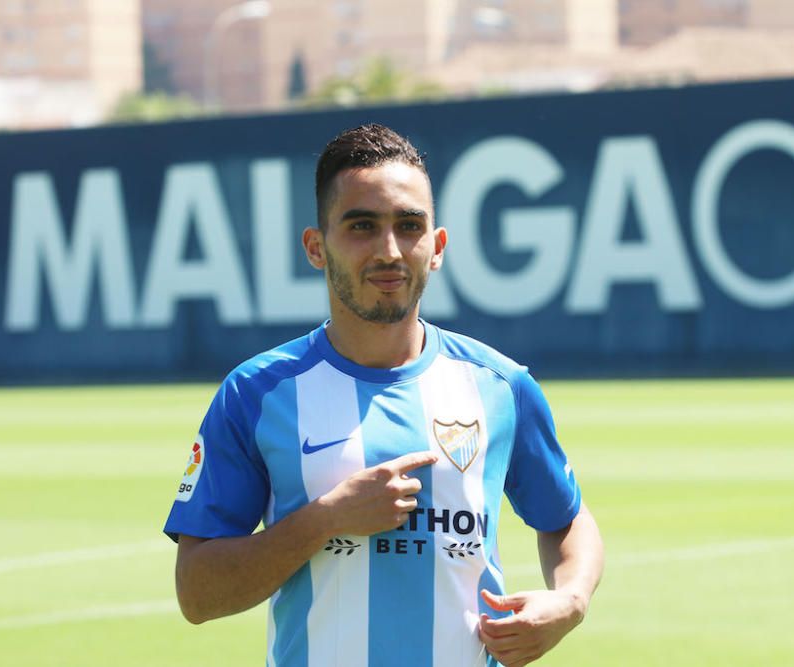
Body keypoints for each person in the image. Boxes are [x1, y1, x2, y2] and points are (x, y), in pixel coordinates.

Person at [164, 124, 604, 667]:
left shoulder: (501, 385)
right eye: (362, 226)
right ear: (316, 247)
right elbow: (197, 594)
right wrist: (326, 519)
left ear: (437, 247)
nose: (389, 250)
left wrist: (569, 600)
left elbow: (565, 518)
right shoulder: (256, 394)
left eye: (409, 225)